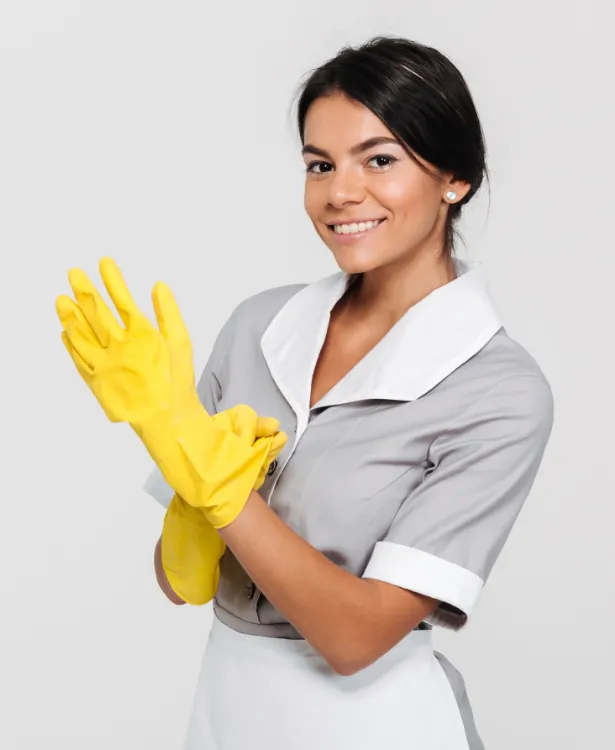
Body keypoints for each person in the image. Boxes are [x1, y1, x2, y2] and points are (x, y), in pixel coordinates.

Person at [59, 36, 554, 750]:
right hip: (225, 710)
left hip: (377, 725)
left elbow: (355, 638)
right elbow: (175, 583)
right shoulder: (259, 326)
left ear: (454, 177)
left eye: (378, 160)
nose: (339, 193)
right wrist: (175, 465)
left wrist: (222, 492)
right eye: (319, 165)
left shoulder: (497, 392)